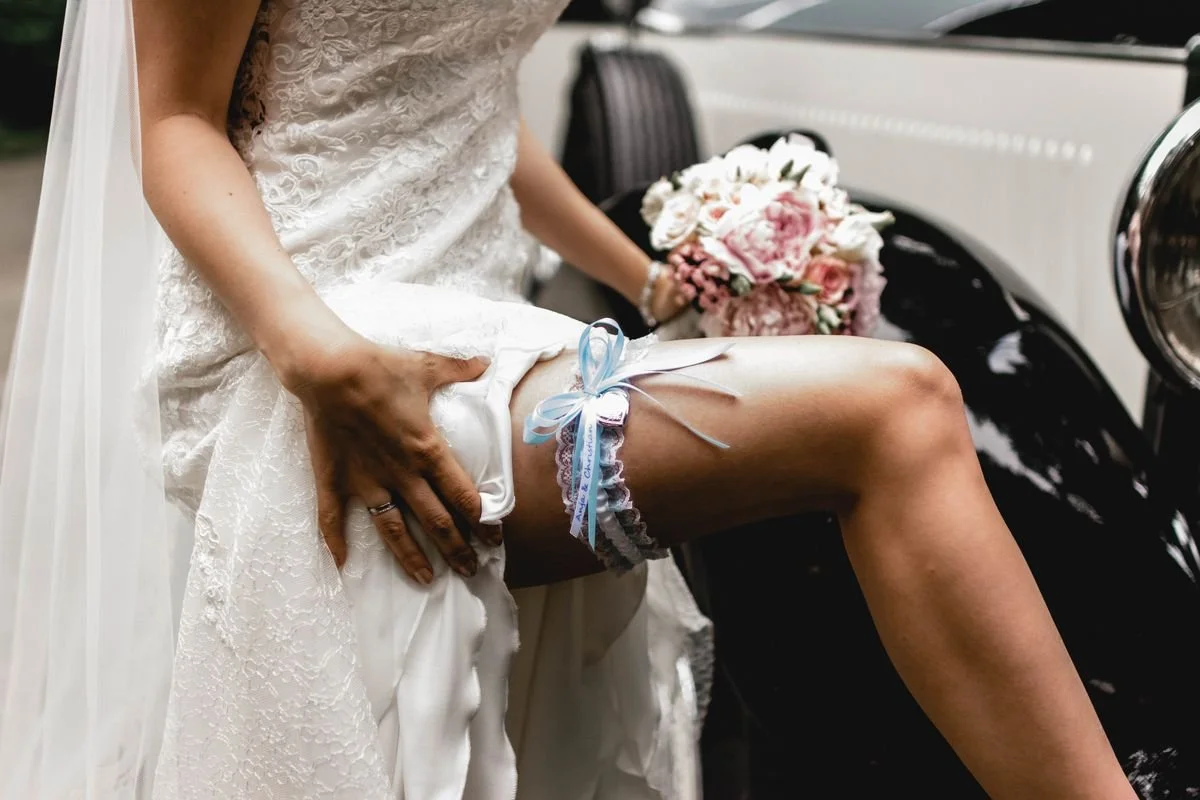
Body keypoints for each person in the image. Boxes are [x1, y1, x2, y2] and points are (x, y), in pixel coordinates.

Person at [0, 0, 1137, 798]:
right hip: (308, 335)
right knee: (902, 410)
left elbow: (470, 107)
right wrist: (316, 350)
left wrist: (649, 277)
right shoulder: (310, 342)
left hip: (491, 332)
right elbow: (177, 128)